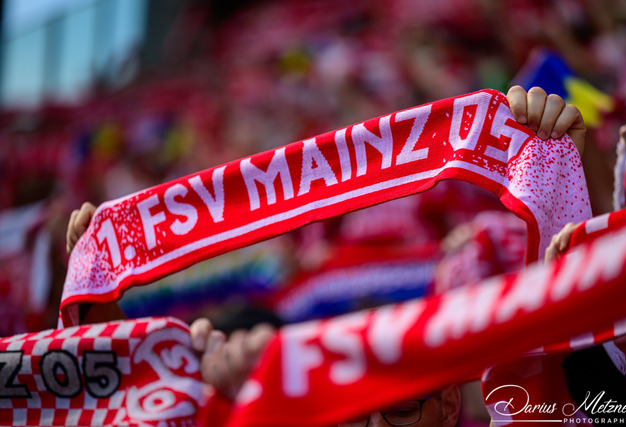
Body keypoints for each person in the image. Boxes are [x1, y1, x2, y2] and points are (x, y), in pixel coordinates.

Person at [65, 85, 585, 425]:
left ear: (450, 407)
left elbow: (574, 372)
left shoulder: (526, 407)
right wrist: (97, 291)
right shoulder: (298, 285)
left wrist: (563, 180)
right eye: (351, 416)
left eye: (401, 413)